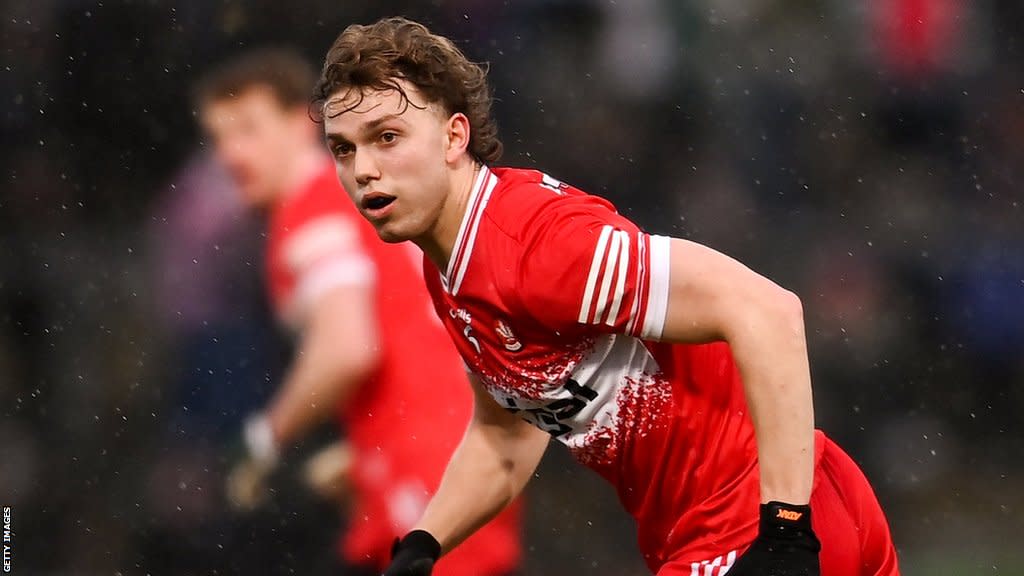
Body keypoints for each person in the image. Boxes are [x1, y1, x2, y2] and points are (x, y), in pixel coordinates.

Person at [312, 17, 900, 576]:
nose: (363, 169)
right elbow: (505, 437)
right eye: (344, 148)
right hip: (744, 523)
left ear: (454, 136)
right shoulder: (451, 273)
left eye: (387, 137)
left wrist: (787, 530)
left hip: (756, 521)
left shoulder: (536, 244)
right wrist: (423, 542)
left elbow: (769, 311)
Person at [195, 48, 522, 576]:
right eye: (219, 137)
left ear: (302, 125)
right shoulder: (365, 199)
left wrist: (265, 437)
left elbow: (348, 345)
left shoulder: (313, 208)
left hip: (429, 471)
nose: (231, 154)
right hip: (456, 454)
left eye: (248, 129)